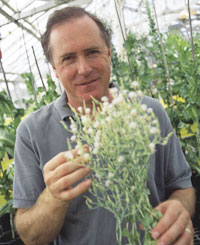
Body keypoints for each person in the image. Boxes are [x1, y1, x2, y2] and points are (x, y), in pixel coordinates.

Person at [13, 6, 195, 245]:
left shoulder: (149, 112)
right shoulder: (31, 132)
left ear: (108, 52)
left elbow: (182, 187)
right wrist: (53, 198)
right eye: (68, 58)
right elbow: (30, 236)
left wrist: (179, 208)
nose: (84, 69)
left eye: (92, 52)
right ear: (55, 69)